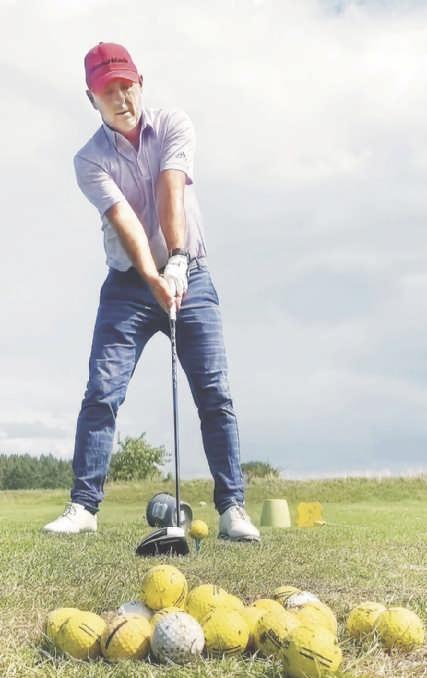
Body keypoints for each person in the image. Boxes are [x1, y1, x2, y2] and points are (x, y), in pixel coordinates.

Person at [43, 42, 260, 542]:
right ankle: (84, 507)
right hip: (127, 285)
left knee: (215, 393)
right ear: (91, 98)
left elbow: (170, 188)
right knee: (102, 392)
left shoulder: (174, 124)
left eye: (127, 86)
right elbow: (126, 222)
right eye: (108, 91)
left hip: (193, 275)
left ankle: (233, 508)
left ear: (140, 83)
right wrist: (154, 276)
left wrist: (178, 259)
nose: (121, 98)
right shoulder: (89, 159)